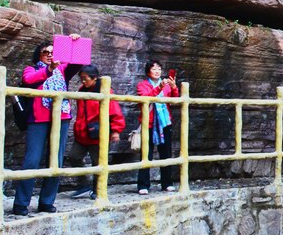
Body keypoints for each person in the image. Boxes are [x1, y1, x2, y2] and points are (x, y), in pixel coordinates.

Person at [13, 36, 83, 216]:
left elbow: (79, 61)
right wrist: (49, 70)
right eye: (46, 52)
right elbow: (29, 80)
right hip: (38, 118)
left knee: (56, 160)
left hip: (61, 116)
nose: (50, 55)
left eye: (53, 52)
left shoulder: (63, 68)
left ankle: (46, 202)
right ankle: (21, 204)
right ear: (39, 54)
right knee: (32, 160)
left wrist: (73, 43)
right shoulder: (31, 69)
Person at [69, 65, 126, 199]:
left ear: (94, 78)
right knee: (74, 156)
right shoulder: (81, 91)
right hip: (82, 133)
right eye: (81, 79)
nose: (83, 81)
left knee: (98, 163)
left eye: (85, 78)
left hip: (97, 133)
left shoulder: (105, 91)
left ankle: (97, 189)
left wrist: (116, 130)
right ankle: (83, 183)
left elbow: (115, 112)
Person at [136, 60, 180, 194]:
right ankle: (143, 185)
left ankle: (166, 183)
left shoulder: (166, 85)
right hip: (149, 123)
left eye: (159, 69)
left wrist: (173, 87)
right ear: (148, 71)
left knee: (166, 153)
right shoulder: (142, 85)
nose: (157, 71)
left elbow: (175, 99)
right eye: (154, 69)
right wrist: (159, 87)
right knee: (146, 154)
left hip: (164, 122)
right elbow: (145, 98)